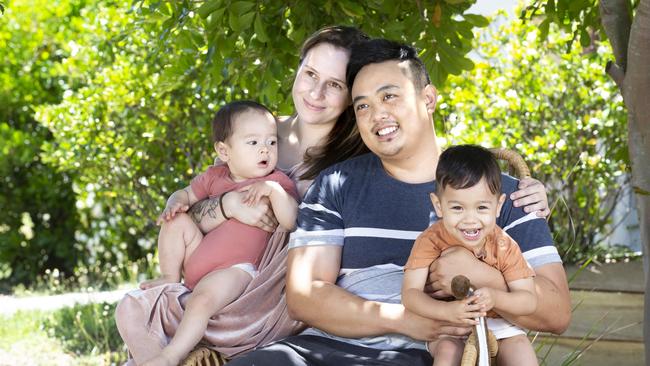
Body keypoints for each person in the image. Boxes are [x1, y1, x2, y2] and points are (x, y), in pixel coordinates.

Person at [115, 26, 551, 364]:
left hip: (289, 303)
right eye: (309, 75)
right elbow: (198, 202)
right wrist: (227, 205)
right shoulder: (261, 132)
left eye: (335, 85)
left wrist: (515, 189)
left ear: (350, 97)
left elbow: (428, 153)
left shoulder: (365, 150)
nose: (315, 93)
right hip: (239, 275)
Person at [226, 38, 570, 365]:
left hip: (428, 355)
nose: (378, 115)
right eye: (363, 105)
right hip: (322, 349)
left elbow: (557, 313)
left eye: (389, 96)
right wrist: (406, 319)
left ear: (429, 99)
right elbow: (304, 296)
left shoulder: (502, 195)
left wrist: (481, 276)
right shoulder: (336, 184)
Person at [139, 101, 299, 366]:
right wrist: (173, 202)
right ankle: (169, 275)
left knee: (201, 301)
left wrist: (274, 193)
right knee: (175, 220)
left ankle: (171, 356)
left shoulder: (275, 181)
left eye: (272, 142)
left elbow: (291, 220)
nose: (265, 150)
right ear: (224, 151)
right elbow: (186, 195)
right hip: (197, 256)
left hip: (237, 269)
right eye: (253, 143)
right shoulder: (215, 176)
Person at [402, 144, 538, 366]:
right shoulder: (430, 240)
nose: (470, 220)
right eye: (457, 208)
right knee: (448, 350)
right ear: (438, 205)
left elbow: (528, 300)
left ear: (498, 206)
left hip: (498, 322)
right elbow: (410, 295)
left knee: (520, 348)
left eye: (482, 208)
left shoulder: (504, 245)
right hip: (448, 322)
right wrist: (446, 310)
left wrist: (496, 298)